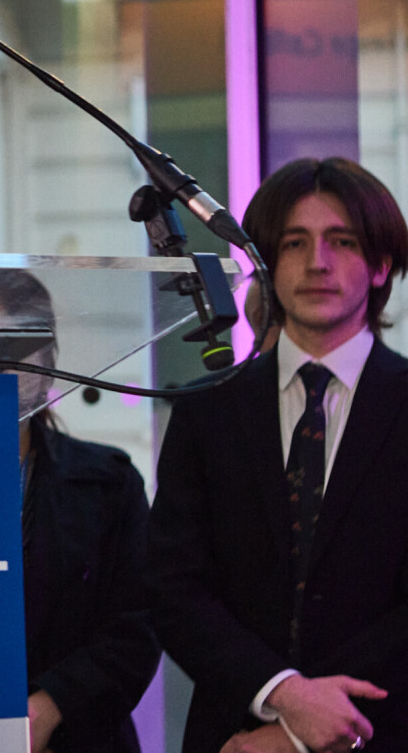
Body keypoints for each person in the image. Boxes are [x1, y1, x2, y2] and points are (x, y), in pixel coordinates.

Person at [147, 156, 408, 753]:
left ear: (381, 265)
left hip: (384, 730)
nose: (317, 262)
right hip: (236, 735)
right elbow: (172, 586)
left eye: (343, 241)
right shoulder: (208, 409)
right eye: (294, 243)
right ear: (265, 263)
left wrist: (301, 730)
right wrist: (284, 696)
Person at [0, 269, 161, 753]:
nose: (1, 363)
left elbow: (140, 624)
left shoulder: (107, 484)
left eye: (20, 341)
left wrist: (52, 703)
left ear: (48, 359)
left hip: (78, 738)